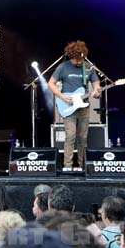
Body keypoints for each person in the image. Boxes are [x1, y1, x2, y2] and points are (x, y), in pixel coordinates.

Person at [48, 40, 101, 172]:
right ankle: (68, 166)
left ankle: (82, 166)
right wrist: (62, 96)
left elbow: (96, 85)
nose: (78, 62)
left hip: (84, 108)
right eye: (75, 60)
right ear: (70, 56)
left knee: (83, 138)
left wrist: (97, 92)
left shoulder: (88, 67)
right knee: (70, 136)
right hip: (68, 106)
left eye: (80, 59)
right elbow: (51, 83)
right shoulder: (63, 67)